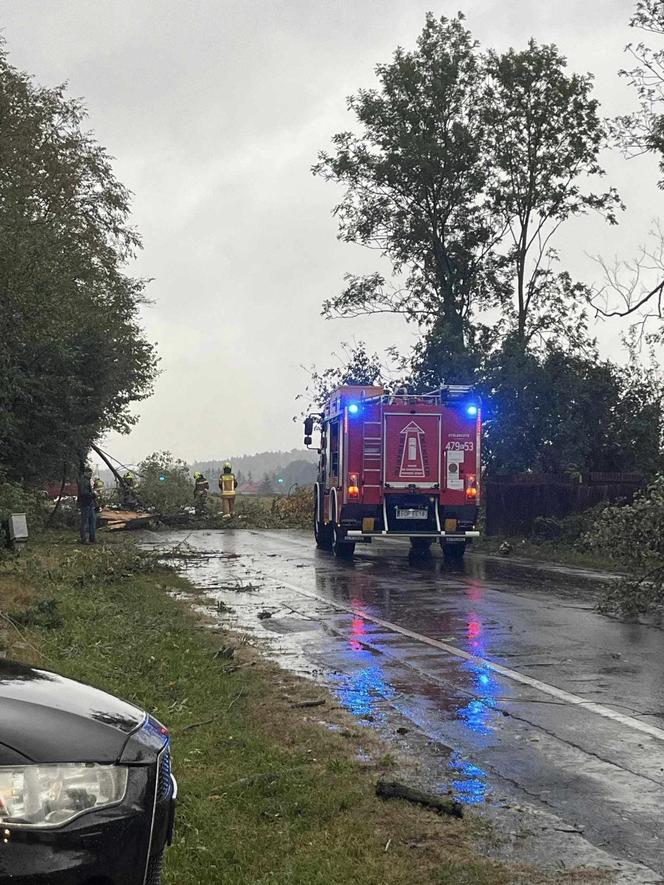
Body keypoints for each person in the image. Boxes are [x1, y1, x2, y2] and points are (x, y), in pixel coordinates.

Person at [77, 466, 97, 544]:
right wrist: (93, 494)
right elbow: (83, 493)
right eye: (89, 473)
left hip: (89, 503)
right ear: (85, 473)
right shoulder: (83, 480)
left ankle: (92, 538)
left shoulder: (88, 480)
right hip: (85, 503)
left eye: (91, 473)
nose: (90, 475)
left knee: (92, 521)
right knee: (85, 522)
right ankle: (84, 539)